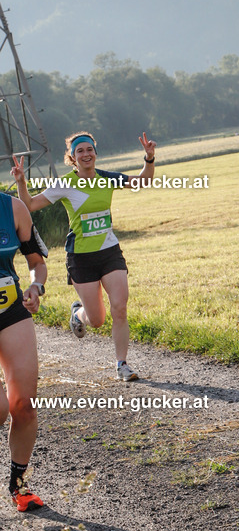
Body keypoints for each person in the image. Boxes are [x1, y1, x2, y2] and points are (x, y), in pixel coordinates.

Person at [12, 131, 157, 381]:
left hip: (110, 252)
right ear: (72, 157)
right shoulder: (65, 184)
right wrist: (21, 182)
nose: (86, 154)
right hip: (80, 257)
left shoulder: (106, 178)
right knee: (97, 320)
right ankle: (78, 313)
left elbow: (142, 181)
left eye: (89, 149)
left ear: (95, 153)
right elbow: (29, 205)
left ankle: (122, 364)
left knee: (119, 307)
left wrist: (149, 158)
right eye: (80, 151)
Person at [0, 186, 48, 511]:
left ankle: (19, 485)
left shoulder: (14, 208)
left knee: (25, 405)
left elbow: (36, 262)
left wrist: (35, 285)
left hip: (11, 309)